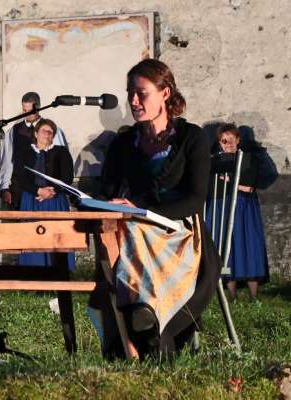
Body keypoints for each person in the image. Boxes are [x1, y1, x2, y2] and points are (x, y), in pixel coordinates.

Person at [88, 59, 222, 359]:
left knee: (132, 229)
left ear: (165, 93)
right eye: (129, 94)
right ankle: (140, 314)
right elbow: (106, 191)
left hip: (181, 234)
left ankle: (145, 313)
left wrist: (141, 210)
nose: (133, 101)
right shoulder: (124, 142)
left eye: (141, 93)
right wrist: (89, 200)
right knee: (124, 231)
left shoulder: (192, 138)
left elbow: (196, 199)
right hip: (136, 228)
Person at [206, 123, 269, 300]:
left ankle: (253, 296)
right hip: (222, 207)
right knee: (227, 248)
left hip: (243, 208)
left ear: (238, 140)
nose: (226, 144)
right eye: (223, 141)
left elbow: (249, 187)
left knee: (249, 246)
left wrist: (231, 182)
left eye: (230, 140)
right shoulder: (215, 160)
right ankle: (231, 296)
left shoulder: (248, 158)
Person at [17, 118, 75, 269]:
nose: (47, 134)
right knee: (33, 236)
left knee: (56, 237)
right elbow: (20, 177)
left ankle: (59, 273)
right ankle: (33, 274)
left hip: (55, 200)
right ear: (36, 133)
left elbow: (67, 177)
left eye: (51, 132)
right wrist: (38, 190)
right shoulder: (25, 152)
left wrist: (52, 191)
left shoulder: (61, 152)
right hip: (32, 200)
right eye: (44, 131)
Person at [0, 92, 68, 209]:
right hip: (23, 189)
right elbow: (8, 160)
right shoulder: (15, 131)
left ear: (38, 108)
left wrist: (54, 189)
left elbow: (62, 163)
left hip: (50, 192)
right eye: (24, 110)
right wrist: (4, 188)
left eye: (29, 111)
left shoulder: (51, 129)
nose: (25, 114)